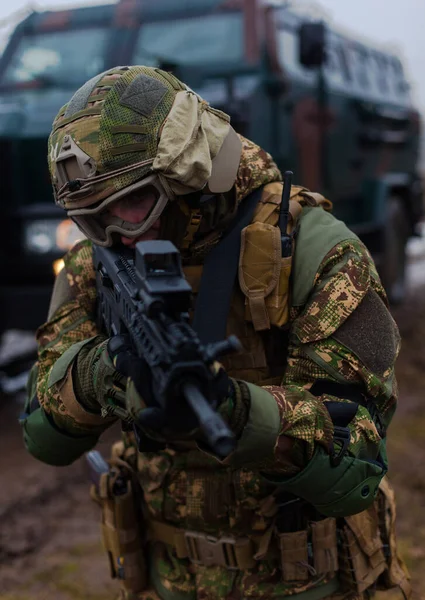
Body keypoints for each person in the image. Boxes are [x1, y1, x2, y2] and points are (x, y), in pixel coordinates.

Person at [22, 65, 410, 600]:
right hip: (166, 578)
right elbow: (42, 436)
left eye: (132, 205)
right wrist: (103, 375)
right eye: (92, 218)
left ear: (188, 170)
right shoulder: (99, 260)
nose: (115, 234)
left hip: (312, 582)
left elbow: (357, 463)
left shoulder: (314, 249)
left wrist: (237, 411)